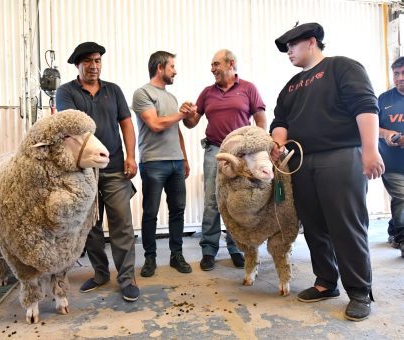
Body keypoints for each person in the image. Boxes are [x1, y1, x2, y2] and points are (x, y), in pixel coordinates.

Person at [271, 23, 385, 321]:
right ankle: (325, 282)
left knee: (346, 225)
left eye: (292, 46)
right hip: (302, 161)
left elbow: (365, 106)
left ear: (311, 42)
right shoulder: (291, 85)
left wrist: (370, 150)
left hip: (341, 155)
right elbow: (280, 120)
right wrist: (278, 143)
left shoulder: (341, 68)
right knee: (314, 226)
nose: (289, 52)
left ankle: (360, 291)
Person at [56, 42, 139, 302]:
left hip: (114, 167)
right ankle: (101, 273)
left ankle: (126, 278)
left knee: (122, 225)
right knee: (89, 226)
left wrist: (131, 156)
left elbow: (126, 123)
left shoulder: (113, 91)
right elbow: (69, 127)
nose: (94, 66)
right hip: (83, 173)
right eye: (88, 62)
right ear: (77, 65)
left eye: (98, 60)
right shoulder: (65, 92)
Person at [182, 49, 267, 271]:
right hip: (215, 152)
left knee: (237, 201)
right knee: (212, 201)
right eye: (212, 65)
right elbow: (192, 123)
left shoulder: (248, 88)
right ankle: (209, 250)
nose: (212, 69)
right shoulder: (207, 92)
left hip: (241, 154)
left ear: (231, 64)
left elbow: (260, 119)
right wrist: (188, 115)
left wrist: (259, 148)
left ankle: (237, 248)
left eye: (216, 64)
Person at [132, 51, 193, 277]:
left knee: (178, 210)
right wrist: (181, 114)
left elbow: (177, 131)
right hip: (154, 163)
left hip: (176, 162)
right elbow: (156, 124)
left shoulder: (172, 98)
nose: (175, 71)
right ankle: (150, 258)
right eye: (172, 67)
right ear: (160, 68)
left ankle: (176, 255)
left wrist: (185, 158)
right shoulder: (142, 93)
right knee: (150, 212)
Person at [378, 56, 404, 257]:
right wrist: (386, 134)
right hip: (392, 163)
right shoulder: (383, 99)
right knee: (402, 197)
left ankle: (394, 228)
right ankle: (402, 237)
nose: (400, 78)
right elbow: (371, 126)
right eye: (396, 74)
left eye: (403, 73)